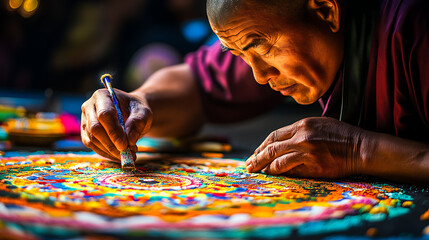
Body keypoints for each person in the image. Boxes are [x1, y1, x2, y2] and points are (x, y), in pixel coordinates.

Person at [81, 0, 429, 185]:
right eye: (239, 54)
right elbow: (196, 84)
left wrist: (362, 150)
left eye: (260, 47)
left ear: (325, 9)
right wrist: (139, 102)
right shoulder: (264, 28)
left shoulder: (413, 28)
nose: (259, 76)